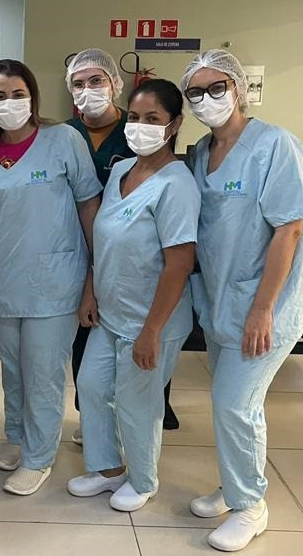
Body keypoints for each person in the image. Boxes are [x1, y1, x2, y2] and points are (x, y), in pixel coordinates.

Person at [0, 60, 101, 495]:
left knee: (43, 372)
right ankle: (18, 435)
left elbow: (89, 205)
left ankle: (39, 456)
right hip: (3, 278)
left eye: (18, 94)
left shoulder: (63, 140)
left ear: (33, 97)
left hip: (57, 280)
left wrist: (95, 274)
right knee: (12, 368)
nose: (9, 103)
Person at [181, 50, 303, 552]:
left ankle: (250, 505)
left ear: (238, 89)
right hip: (219, 302)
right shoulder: (200, 151)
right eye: (196, 92)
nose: (207, 99)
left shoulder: (275, 145)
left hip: (264, 307)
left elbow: (289, 229)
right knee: (229, 403)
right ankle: (233, 484)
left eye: (217, 88)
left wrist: (262, 309)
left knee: (235, 405)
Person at [68, 79, 198, 513]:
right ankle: (107, 470)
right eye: (136, 117)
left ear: (174, 125)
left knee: (137, 403)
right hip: (111, 313)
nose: (141, 126)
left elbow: (179, 264)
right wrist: (91, 291)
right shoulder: (122, 170)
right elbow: (103, 240)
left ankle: (143, 480)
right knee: (90, 385)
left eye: (153, 119)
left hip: (152, 320)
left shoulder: (177, 185)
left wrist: (151, 332)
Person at [64, 49, 179, 441]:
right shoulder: (65, 134)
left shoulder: (138, 129)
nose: (88, 90)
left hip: (139, 256)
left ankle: (146, 416)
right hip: (84, 251)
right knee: (89, 339)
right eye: (79, 83)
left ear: (114, 83)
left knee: (144, 348)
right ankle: (91, 417)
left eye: (96, 80)